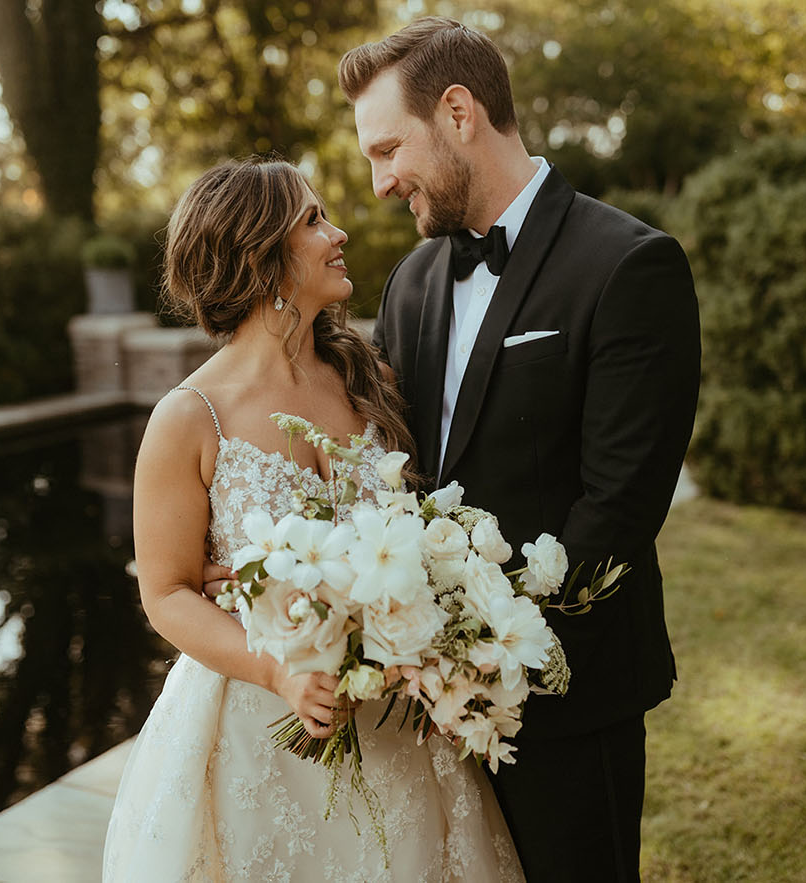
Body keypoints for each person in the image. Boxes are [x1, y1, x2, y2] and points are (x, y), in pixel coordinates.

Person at [337, 18, 701, 882]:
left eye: (388, 149)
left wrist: (486, 657)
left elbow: (618, 508)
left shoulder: (629, 265)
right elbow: (400, 472)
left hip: (571, 698)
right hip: (428, 709)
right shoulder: (412, 280)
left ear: (458, 112)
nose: (382, 183)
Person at [102, 158, 522, 882]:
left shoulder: (369, 379)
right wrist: (282, 671)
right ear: (259, 257)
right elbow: (166, 593)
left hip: (396, 719)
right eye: (312, 220)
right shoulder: (187, 418)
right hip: (258, 724)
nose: (339, 231)